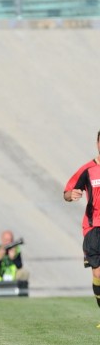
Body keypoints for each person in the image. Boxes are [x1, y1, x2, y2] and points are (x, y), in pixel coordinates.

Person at [64, 129, 100, 322]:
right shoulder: (87, 170)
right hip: (93, 228)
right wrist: (73, 195)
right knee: (98, 273)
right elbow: (67, 193)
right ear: (97, 143)